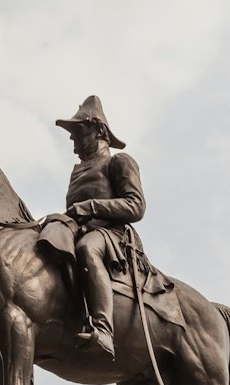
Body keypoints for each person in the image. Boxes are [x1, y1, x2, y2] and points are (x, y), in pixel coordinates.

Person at [53, 96, 145, 360]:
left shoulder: (119, 162)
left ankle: (103, 328)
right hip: (81, 229)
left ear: (98, 130)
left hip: (112, 237)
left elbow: (135, 206)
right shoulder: (78, 171)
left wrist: (91, 207)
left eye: (77, 134)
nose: (73, 145)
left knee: (86, 248)